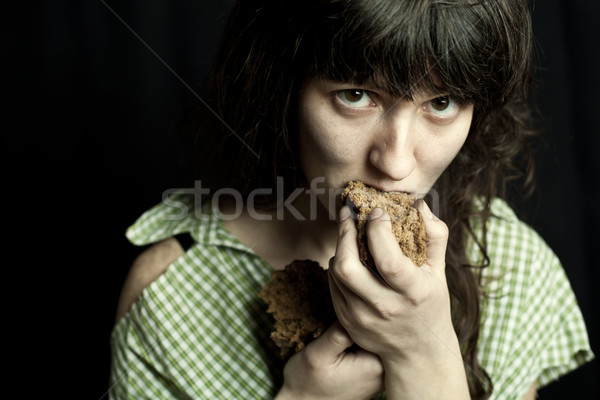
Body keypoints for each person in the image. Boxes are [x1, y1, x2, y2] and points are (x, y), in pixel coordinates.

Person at [109, 0, 594, 399]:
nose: (397, 163)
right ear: (285, 89)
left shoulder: (511, 264)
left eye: (441, 104)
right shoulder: (172, 291)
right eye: (357, 95)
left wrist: (423, 356)